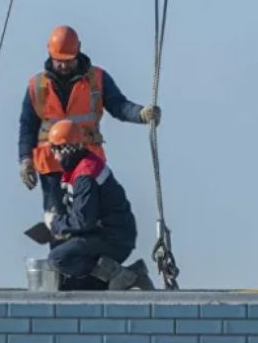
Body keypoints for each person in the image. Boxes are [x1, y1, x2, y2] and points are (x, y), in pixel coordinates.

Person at [18, 24, 160, 212]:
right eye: (58, 60)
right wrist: (26, 160)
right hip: (52, 166)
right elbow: (27, 127)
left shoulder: (97, 79)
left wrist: (141, 114)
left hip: (87, 162)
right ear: (50, 53)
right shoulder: (36, 86)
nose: (63, 65)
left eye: (68, 60)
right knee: (56, 223)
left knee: (89, 217)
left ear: (78, 51)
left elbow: (119, 106)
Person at [42, 120, 149, 291]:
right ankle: (130, 276)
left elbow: (84, 220)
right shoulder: (82, 168)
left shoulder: (85, 175)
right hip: (111, 234)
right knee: (74, 281)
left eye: (56, 151)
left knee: (59, 258)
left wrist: (55, 224)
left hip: (113, 238)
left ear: (67, 150)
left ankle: (120, 275)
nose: (55, 157)